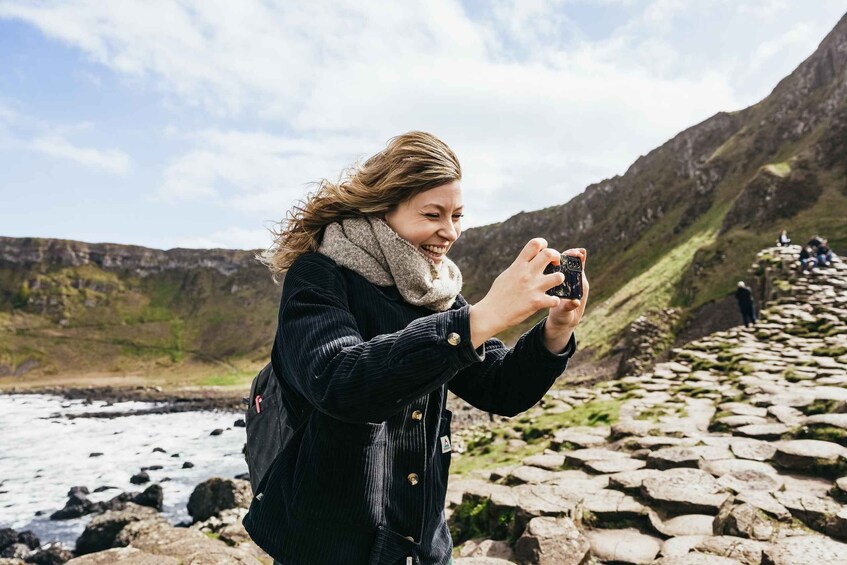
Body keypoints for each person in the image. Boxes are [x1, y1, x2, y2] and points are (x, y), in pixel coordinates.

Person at [242, 131, 588, 565]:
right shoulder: (318, 277)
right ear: (382, 207)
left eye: (458, 216)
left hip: (418, 545)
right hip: (327, 548)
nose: (450, 232)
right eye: (433, 214)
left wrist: (555, 331)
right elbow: (338, 380)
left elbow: (502, 389)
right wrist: (477, 320)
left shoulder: (435, 294)